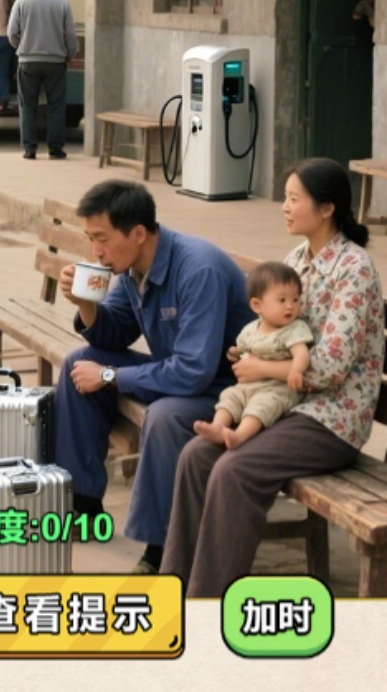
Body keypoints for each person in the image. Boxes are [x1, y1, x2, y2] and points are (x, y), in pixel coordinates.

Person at [162, 157, 384, 596]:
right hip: (284, 405)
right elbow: (274, 332)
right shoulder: (296, 259)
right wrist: (250, 350)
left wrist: (261, 368)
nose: (284, 206)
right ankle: (173, 589)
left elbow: (331, 367)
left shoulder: (354, 269)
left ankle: (206, 607)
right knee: (195, 457)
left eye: (293, 198)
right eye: (284, 197)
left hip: (333, 418)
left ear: (327, 209)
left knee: (233, 471)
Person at [54, 180, 253, 573]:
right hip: (184, 378)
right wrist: (85, 304)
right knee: (79, 363)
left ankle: (160, 550)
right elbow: (113, 332)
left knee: (163, 417)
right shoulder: (130, 269)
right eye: (90, 238)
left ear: (139, 233)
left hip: (230, 392)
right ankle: (83, 505)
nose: (96, 250)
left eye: (102, 238)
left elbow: (193, 372)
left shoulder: (198, 269)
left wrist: (111, 375)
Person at [193, 262, 313, 450]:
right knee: (229, 396)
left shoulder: (294, 329)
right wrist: (234, 353)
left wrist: (297, 371)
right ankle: (218, 427)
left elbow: (302, 353)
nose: (290, 306)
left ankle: (239, 436)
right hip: (248, 386)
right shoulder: (250, 329)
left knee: (261, 406)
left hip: (277, 389)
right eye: (282, 300)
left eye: (296, 300)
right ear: (257, 305)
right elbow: (241, 349)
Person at [7, 0, 77, 159]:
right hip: (55, 62)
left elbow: (12, 33)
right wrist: (69, 56)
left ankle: (29, 149)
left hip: (27, 61)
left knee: (27, 105)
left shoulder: (21, 2)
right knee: (56, 106)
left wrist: (23, 48)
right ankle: (55, 148)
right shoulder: (63, 4)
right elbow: (70, 37)